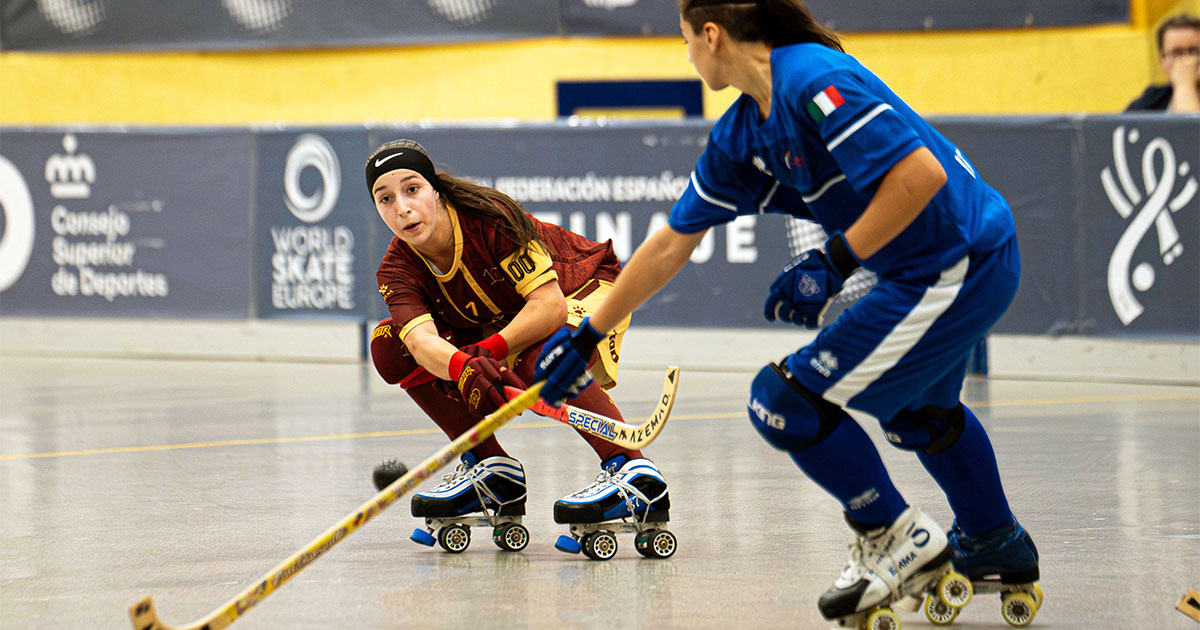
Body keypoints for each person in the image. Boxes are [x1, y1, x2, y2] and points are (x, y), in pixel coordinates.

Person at [535, 0, 1040, 624]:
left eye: (686, 39)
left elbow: (920, 175)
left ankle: (893, 537)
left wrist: (835, 260)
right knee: (919, 415)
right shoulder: (742, 132)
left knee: (782, 400)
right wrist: (588, 336)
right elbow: (669, 245)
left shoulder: (813, 78)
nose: (687, 53)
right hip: (928, 269)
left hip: (961, 260)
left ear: (712, 36)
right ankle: (995, 540)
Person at [365, 139, 669, 550]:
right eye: (385, 198)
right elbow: (420, 342)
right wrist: (462, 368)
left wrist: (486, 352)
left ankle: (634, 472)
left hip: (578, 290)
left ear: (434, 188)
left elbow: (549, 308)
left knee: (543, 357)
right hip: (497, 320)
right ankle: (492, 468)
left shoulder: (489, 217)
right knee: (389, 345)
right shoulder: (397, 267)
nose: (401, 207)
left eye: (412, 189)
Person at [1126, 13, 1200, 113]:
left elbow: (1190, 128)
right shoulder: (1153, 99)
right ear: (1162, 60)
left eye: (1193, 51)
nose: (1185, 61)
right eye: (1176, 53)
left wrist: (1185, 84)